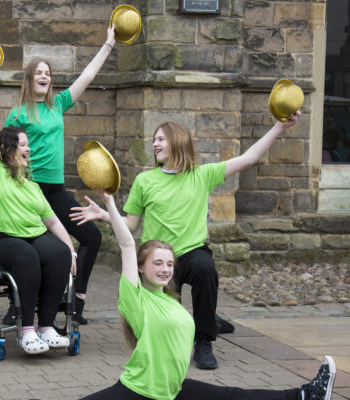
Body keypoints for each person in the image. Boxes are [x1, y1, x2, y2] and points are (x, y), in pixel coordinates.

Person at [70, 114, 300, 369]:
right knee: (169, 323)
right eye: (154, 140)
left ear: (177, 142)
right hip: (159, 257)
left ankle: (204, 341)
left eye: (160, 139)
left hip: (192, 251)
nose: (155, 144)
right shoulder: (145, 180)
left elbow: (249, 158)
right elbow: (130, 224)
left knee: (205, 269)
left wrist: (279, 126)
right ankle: (206, 319)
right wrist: (104, 214)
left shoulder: (202, 175)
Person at [81, 190, 336, 400]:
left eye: (169, 264)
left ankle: (305, 395)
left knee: (235, 396)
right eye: (157, 263)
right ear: (140, 267)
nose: (165, 269)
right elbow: (127, 243)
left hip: (172, 390)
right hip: (140, 391)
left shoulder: (171, 301)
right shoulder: (135, 298)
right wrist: (109, 204)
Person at [3, 24, 117, 325]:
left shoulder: (58, 105)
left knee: (92, 236)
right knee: (33, 246)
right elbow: (4, 155)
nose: (44, 76)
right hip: (29, 189)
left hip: (55, 190)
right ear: (29, 78)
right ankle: (18, 304)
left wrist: (108, 44)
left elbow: (87, 76)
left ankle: (77, 300)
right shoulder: (17, 113)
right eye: (39, 73)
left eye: (48, 73)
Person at [0, 58, 76, 354]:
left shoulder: (31, 185)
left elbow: (52, 222)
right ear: (5, 149)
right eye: (23, 145)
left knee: (57, 252)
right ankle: (27, 330)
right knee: (26, 255)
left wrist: (70, 250)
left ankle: (47, 326)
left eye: (28, 145)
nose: (29, 149)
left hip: (31, 237)